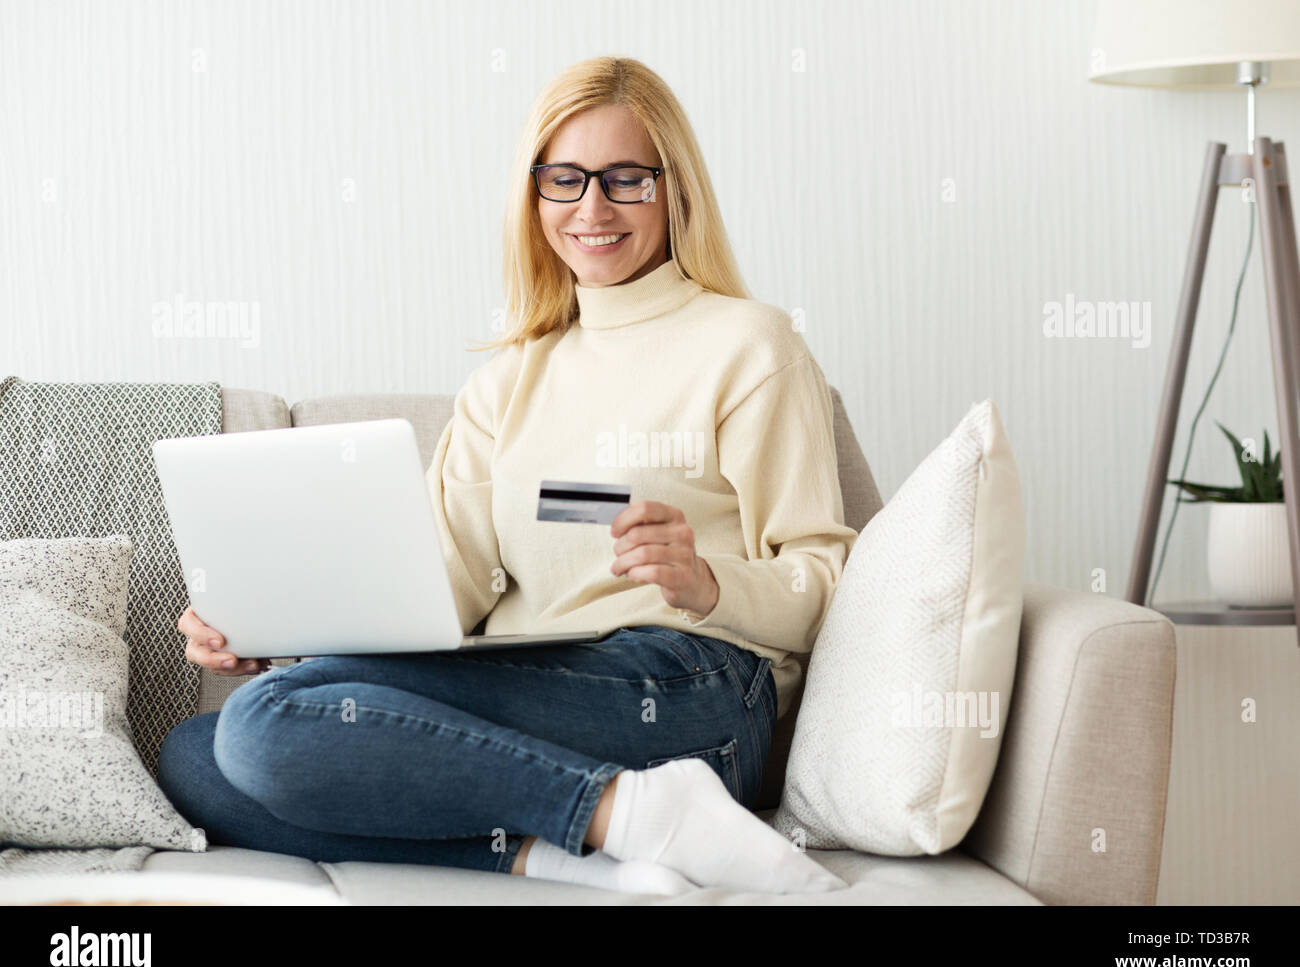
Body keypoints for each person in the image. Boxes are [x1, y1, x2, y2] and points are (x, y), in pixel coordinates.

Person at [158, 55, 857, 896]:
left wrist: (710, 582)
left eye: (625, 178)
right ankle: (592, 840)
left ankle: (642, 813)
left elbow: (821, 581)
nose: (591, 208)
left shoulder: (751, 344)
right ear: (534, 197)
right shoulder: (504, 384)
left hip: (688, 688)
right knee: (200, 756)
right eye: (564, 179)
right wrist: (273, 628)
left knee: (263, 731)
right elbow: (435, 591)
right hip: (524, 682)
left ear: (673, 190)